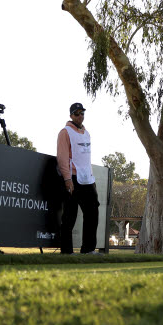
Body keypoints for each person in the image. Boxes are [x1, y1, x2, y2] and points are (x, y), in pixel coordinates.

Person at [56, 102, 100, 254]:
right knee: (69, 216)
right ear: (71, 115)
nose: (80, 116)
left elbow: (86, 159)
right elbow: (62, 157)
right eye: (77, 113)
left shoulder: (86, 133)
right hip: (72, 179)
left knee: (93, 214)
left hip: (88, 180)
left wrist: (92, 178)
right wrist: (67, 179)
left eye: (82, 113)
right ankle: (67, 252)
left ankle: (88, 249)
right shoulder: (65, 132)